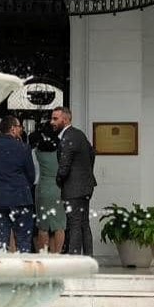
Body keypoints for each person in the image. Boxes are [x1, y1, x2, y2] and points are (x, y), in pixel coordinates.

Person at [0, 115, 35, 253]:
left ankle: (0, 272)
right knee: (23, 240)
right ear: (12, 129)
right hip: (20, 197)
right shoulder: (24, 148)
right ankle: (25, 270)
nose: (21, 130)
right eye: (19, 127)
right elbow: (31, 175)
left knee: (0, 241)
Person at [50, 107, 97, 255]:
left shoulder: (68, 137)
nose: (52, 122)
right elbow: (92, 154)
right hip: (86, 186)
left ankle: (74, 259)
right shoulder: (79, 134)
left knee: (74, 224)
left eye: (55, 119)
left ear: (65, 119)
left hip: (74, 188)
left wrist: (59, 180)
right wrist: (86, 174)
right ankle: (89, 258)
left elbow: (64, 166)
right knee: (84, 224)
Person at [31, 124, 66, 254]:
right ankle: (56, 254)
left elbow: (34, 173)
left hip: (43, 189)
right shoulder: (62, 149)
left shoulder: (36, 151)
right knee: (59, 225)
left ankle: (44, 255)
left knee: (43, 226)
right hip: (59, 189)